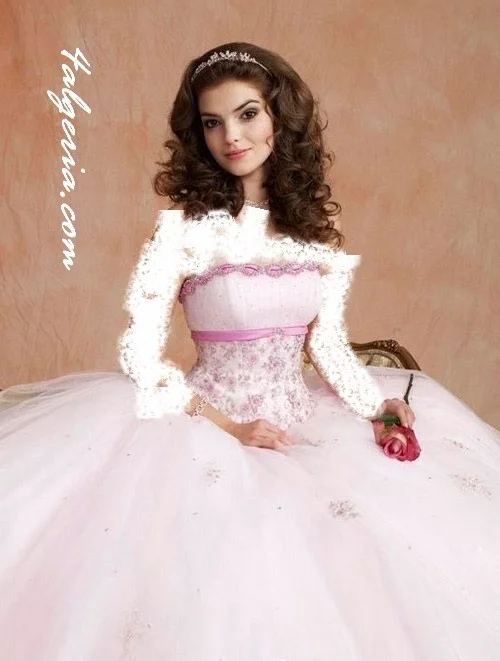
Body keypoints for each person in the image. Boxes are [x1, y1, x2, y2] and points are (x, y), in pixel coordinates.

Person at [1, 41, 499, 661]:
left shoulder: (317, 234)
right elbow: (141, 357)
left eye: (247, 114)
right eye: (212, 122)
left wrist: (377, 407)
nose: (231, 136)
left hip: (304, 424)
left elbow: (327, 344)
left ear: (278, 118)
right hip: (207, 427)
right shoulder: (181, 234)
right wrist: (230, 428)